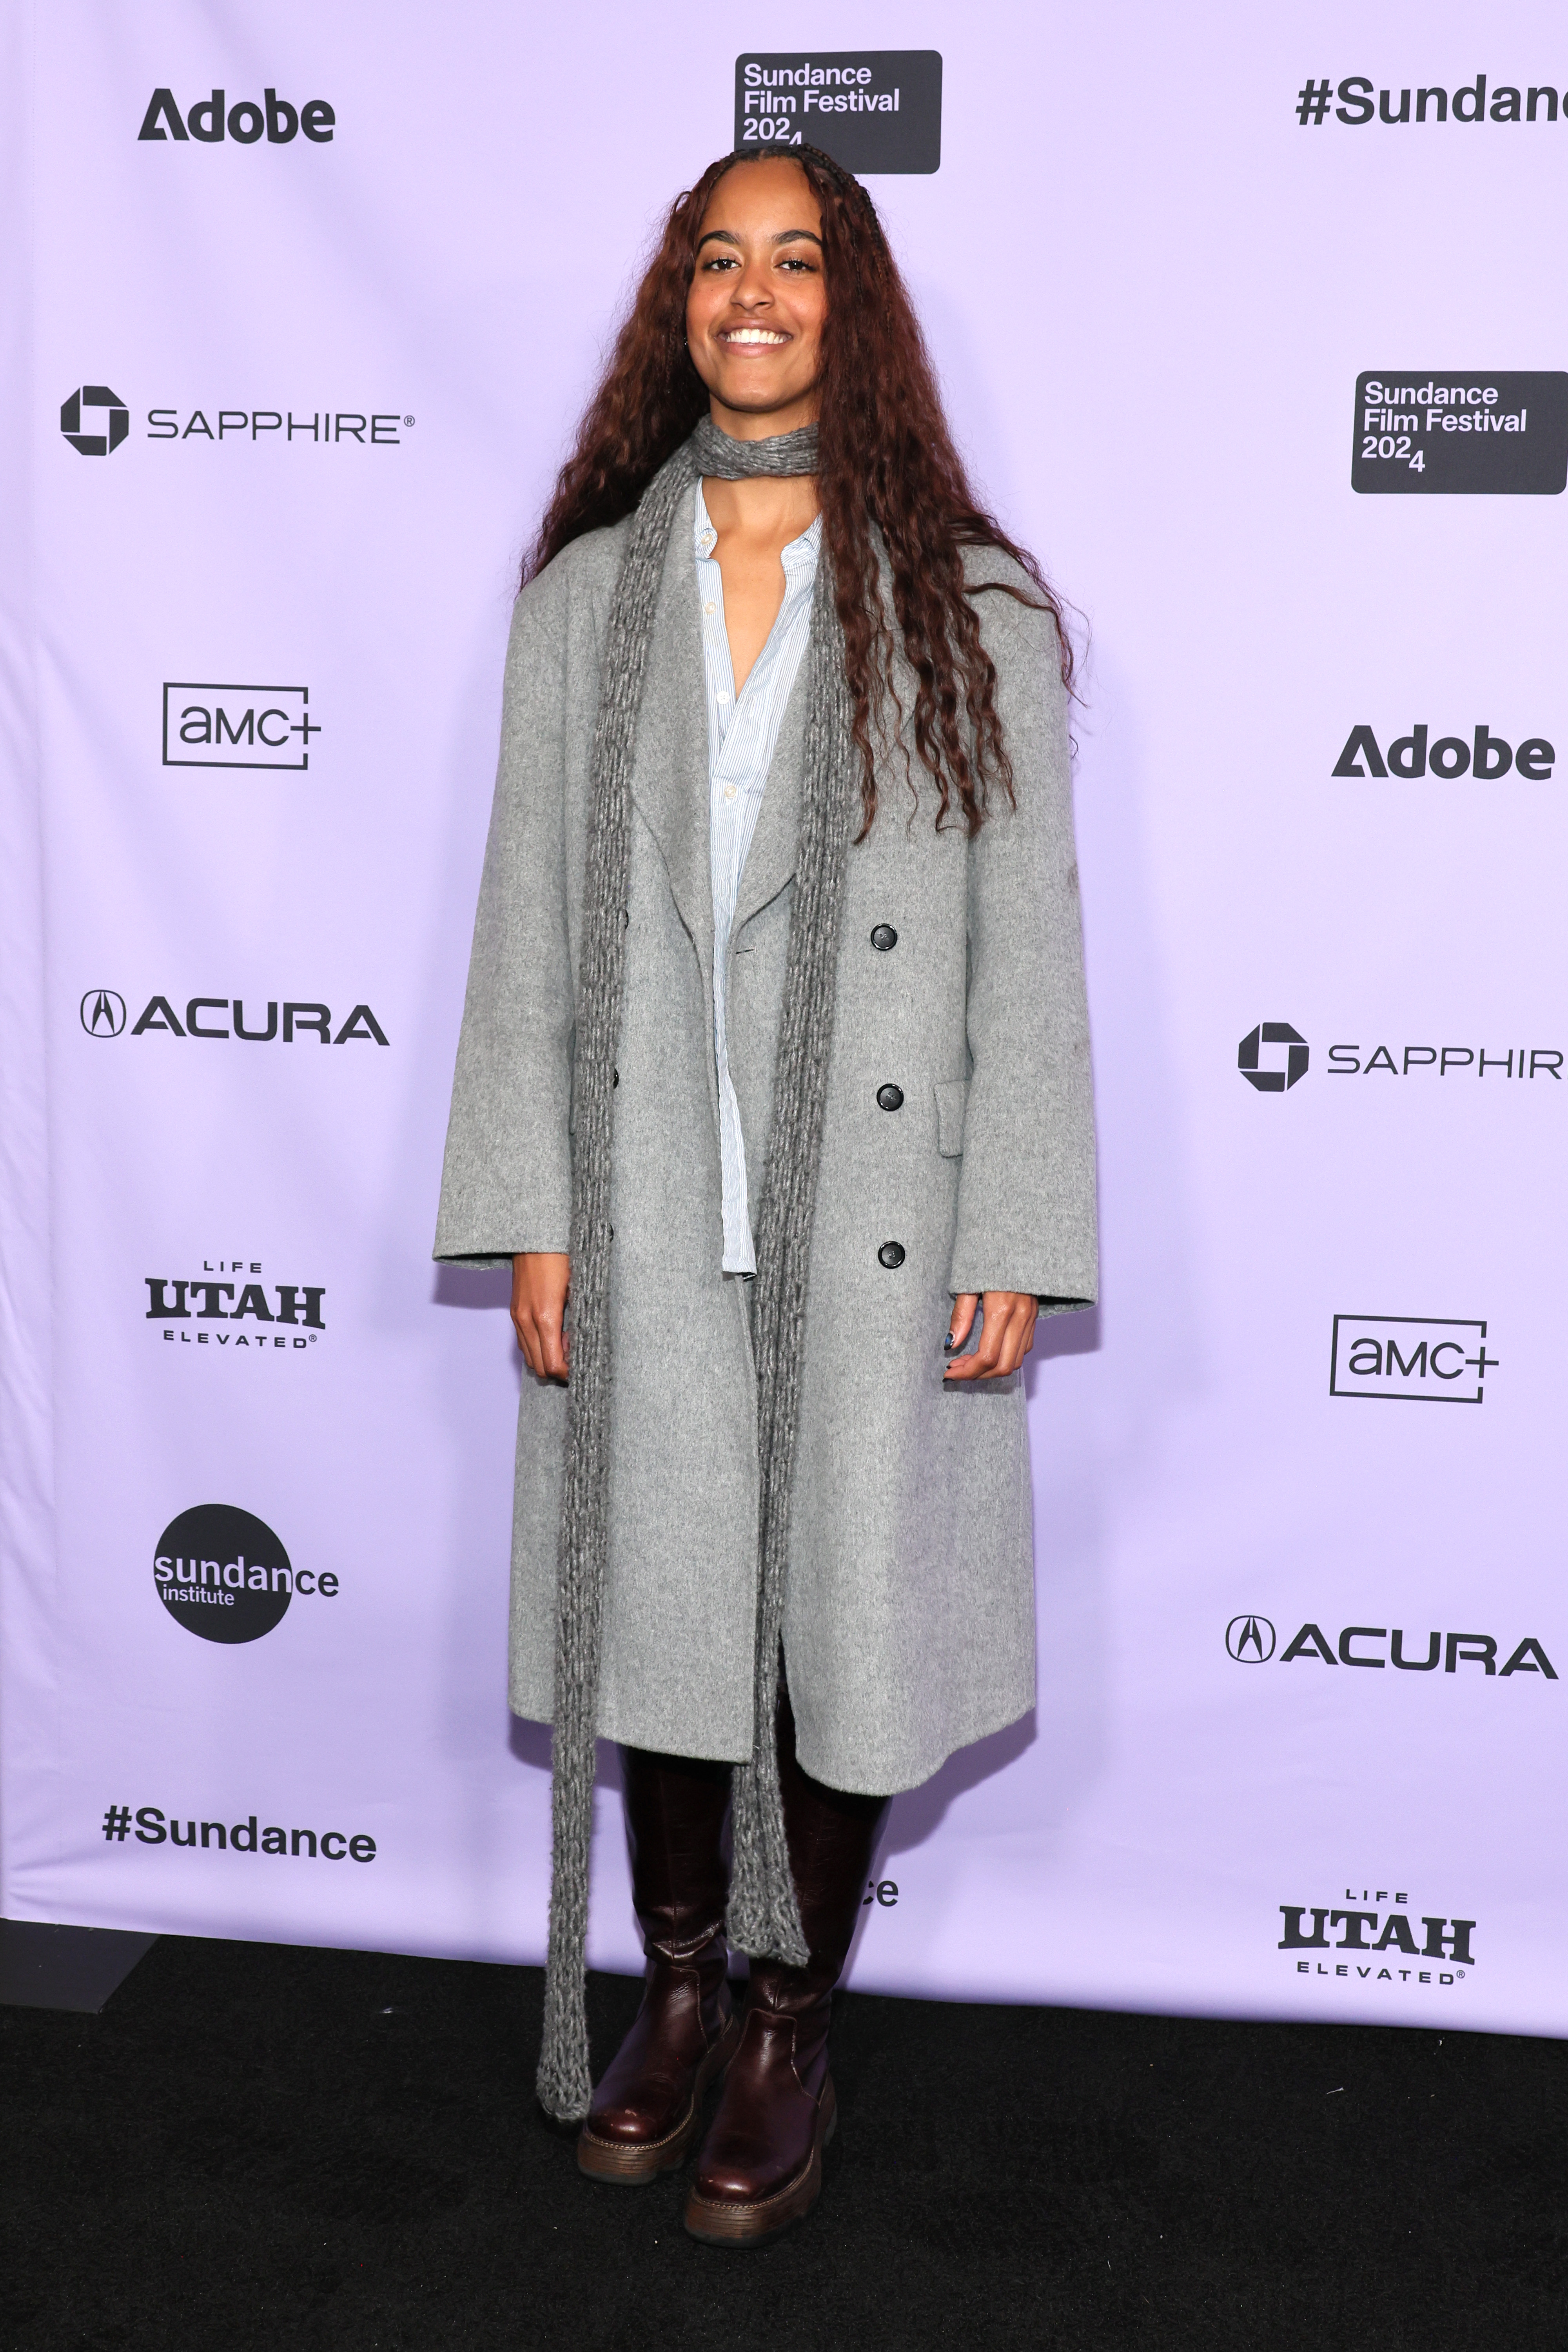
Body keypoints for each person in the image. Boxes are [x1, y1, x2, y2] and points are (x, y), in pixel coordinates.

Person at [434, 142, 1097, 2245]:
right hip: (646, 1199)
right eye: (719, 261)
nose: (754, 293)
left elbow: (1030, 945)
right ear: (676, 306)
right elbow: (528, 934)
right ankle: (684, 1992)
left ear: (854, 305)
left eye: (796, 260)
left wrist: (1018, 1226)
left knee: (844, 1621)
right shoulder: (582, 604)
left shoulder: (967, 608)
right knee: (665, 1606)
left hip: (879, 1204)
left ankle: (792, 2020)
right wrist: (533, 1205)